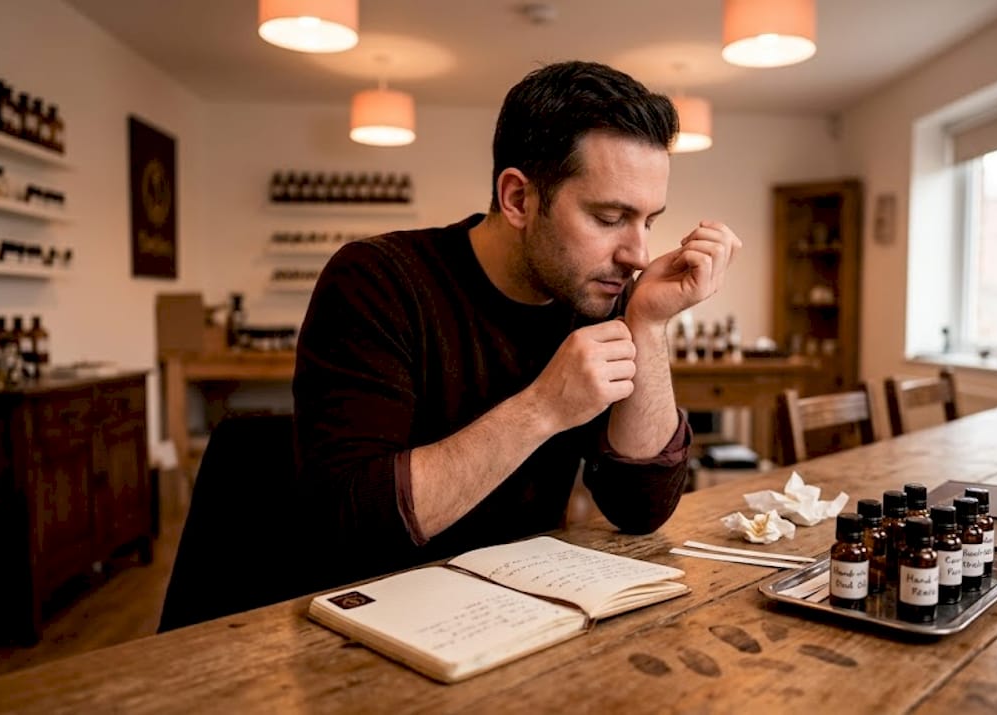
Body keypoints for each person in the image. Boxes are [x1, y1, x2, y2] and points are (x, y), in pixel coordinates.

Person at [292, 60, 741, 583]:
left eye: (649, 221)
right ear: (518, 199)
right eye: (609, 218)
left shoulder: (597, 293)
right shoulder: (376, 281)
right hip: (375, 613)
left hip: (527, 605)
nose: (639, 254)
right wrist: (544, 408)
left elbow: (640, 509)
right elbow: (352, 521)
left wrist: (647, 322)